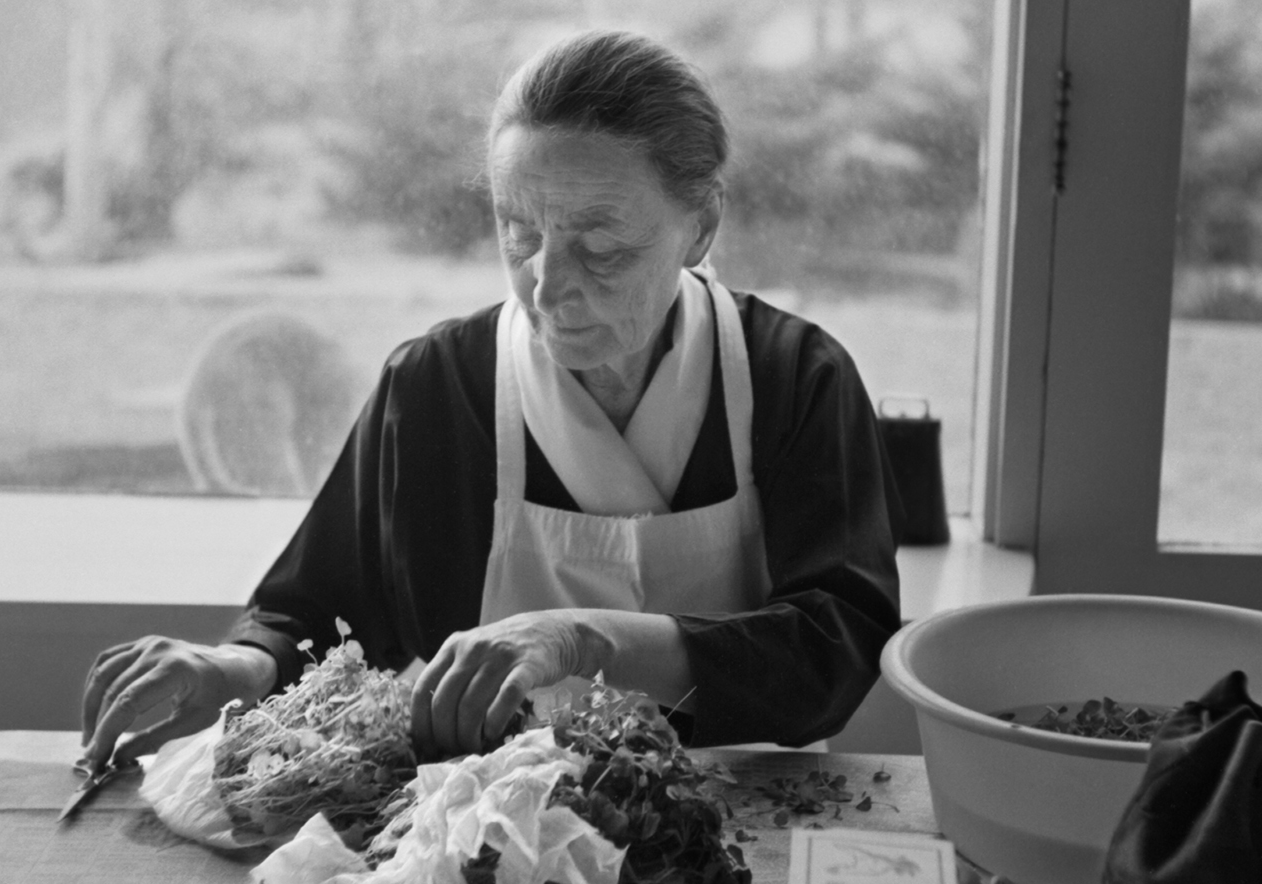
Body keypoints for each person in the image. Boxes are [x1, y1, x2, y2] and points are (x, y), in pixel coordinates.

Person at [80, 29, 902, 769]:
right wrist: (239, 665)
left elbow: (836, 648)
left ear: (700, 226)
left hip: (746, 815)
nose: (548, 283)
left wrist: (582, 639)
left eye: (600, 243)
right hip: (491, 830)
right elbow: (322, 607)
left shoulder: (796, 379)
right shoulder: (441, 387)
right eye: (519, 230)